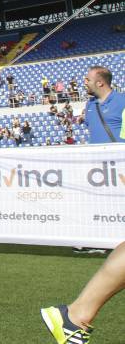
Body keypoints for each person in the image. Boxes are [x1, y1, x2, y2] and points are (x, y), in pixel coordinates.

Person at [41, 68, 125, 343]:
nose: (84, 83)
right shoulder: (90, 105)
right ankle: (76, 315)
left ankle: (75, 316)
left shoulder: (121, 101)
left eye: (88, 80)